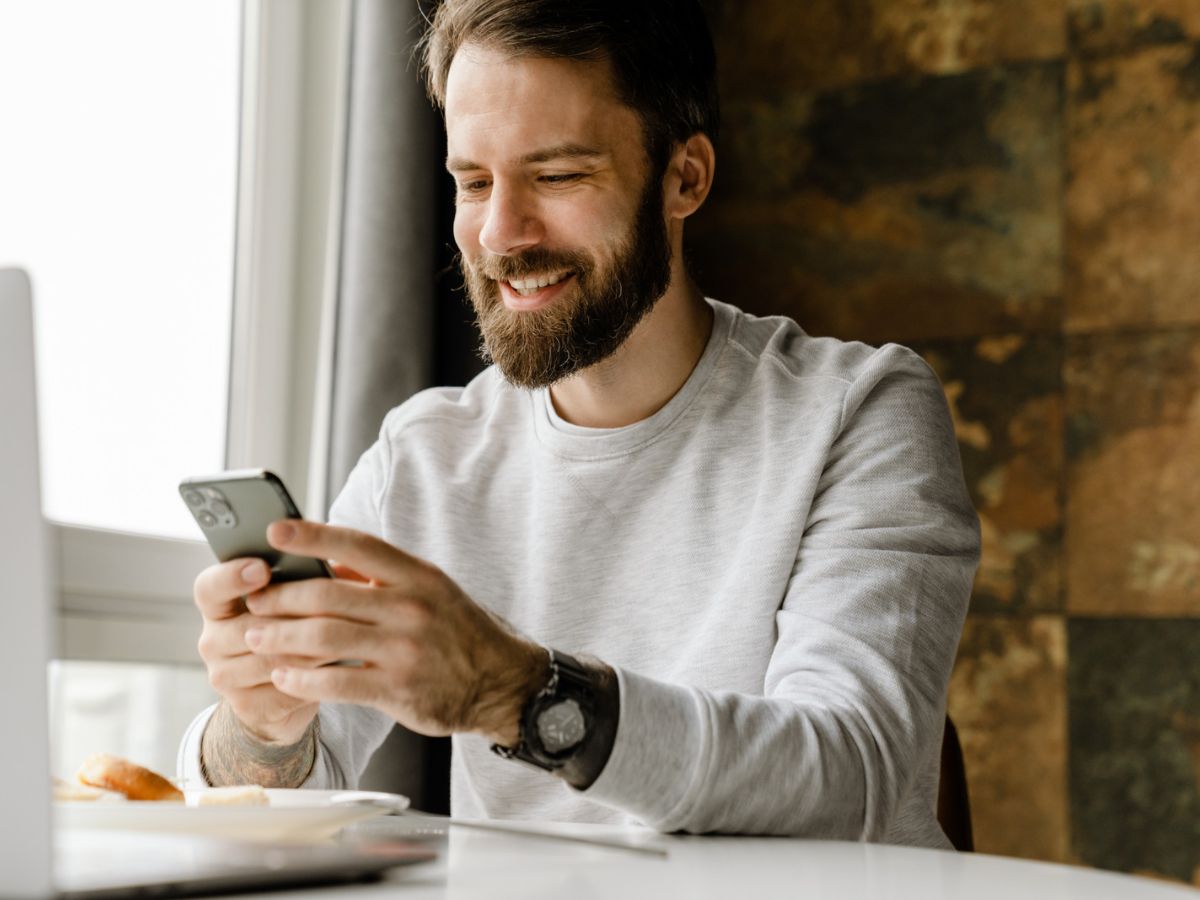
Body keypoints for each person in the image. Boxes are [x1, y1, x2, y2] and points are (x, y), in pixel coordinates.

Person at [180, 0, 980, 848]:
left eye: (557, 177)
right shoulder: (423, 458)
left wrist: (517, 694)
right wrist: (263, 725)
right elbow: (278, 789)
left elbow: (849, 778)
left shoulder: (860, 412)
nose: (499, 234)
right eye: (474, 182)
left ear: (685, 178)